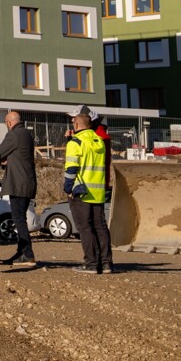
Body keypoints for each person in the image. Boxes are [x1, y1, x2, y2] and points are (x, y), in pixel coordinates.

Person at [66, 112, 115, 274]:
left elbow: (72, 168)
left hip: (81, 191)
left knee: (85, 227)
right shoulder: (99, 141)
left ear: (77, 125)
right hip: (98, 191)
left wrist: (67, 188)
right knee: (100, 226)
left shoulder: (76, 142)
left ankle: (91, 263)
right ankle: (106, 263)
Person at [0, 110, 38, 268]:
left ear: (9, 122)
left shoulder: (13, 135)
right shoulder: (27, 134)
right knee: (20, 217)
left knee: (18, 219)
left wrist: (3, 160)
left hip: (18, 183)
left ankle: (27, 254)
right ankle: (21, 252)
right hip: (27, 182)